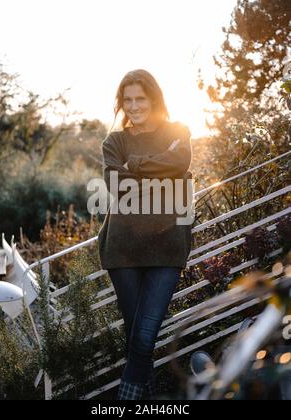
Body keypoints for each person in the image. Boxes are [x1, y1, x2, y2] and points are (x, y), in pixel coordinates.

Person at [98, 69, 193, 400]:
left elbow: (181, 162)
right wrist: (164, 172)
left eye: (140, 98)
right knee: (136, 338)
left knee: (144, 337)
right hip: (122, 249)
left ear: (153, 99)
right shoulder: (115, 141)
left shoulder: (178, 132)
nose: (134, 105)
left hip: (168, 248)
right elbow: (116, 188)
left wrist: (135, 165)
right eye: (128, 99)